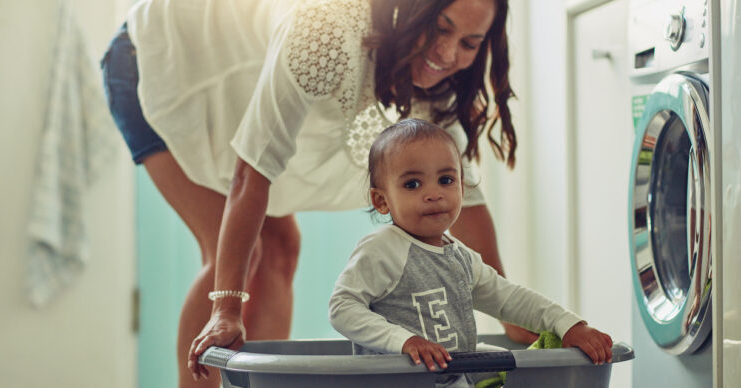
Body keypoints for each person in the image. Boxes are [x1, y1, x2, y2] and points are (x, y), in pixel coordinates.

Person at [101, 0, 531, 386]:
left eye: (470, 42)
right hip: (158, 64)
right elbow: (250, 177)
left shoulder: (434, 82)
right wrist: (226, 310)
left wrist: (514, 317)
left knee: (281, 247)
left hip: (240, 88)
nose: (448, 53)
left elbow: (467, 201)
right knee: (238, 258)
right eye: (440, 28)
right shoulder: (324, 30)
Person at [329, 119, 614, 387]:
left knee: (498, 358)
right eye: (412, 184)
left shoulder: (459, 257)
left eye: (446, 180)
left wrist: (568, 325)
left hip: (452, 379)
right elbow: (343, 307)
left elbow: (508, 298)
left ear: (462, 188)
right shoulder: (383, 248)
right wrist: (403, 341)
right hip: (395, 381)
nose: (434, 193)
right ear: (382, 200)